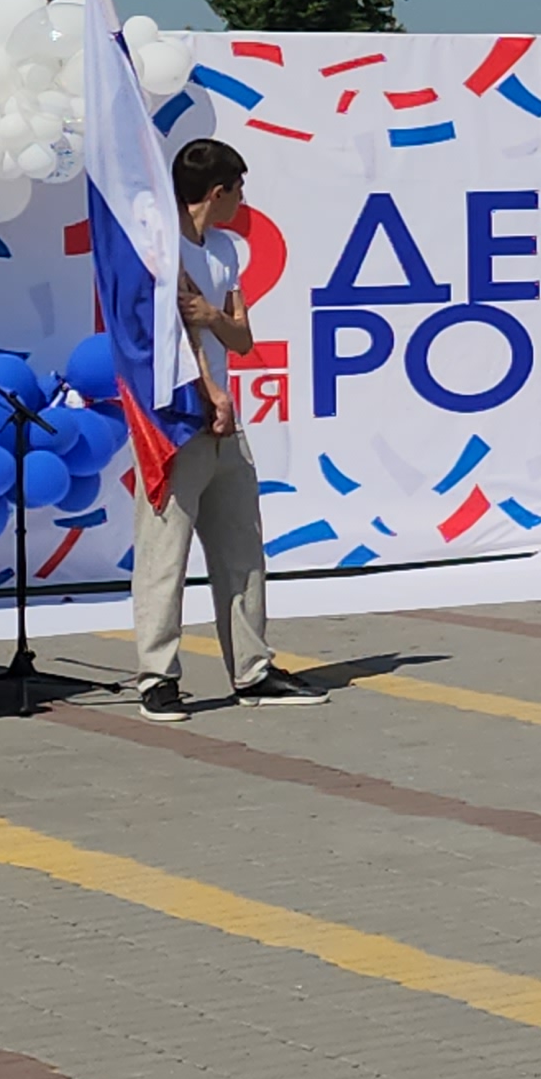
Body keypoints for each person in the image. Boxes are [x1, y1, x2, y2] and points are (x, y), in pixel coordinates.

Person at [121, 137, 330, 715]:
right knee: (165, 549)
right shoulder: (159, 254)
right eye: (238, 188)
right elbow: (173, 337)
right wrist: (210, 393)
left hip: (223, 416)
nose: (243, 199)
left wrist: (216, 319)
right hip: (173, 418)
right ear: (218, 191)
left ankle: (252, 668)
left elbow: (238, 335)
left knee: (241, 546)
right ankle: (156, 676)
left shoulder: (224, 250)